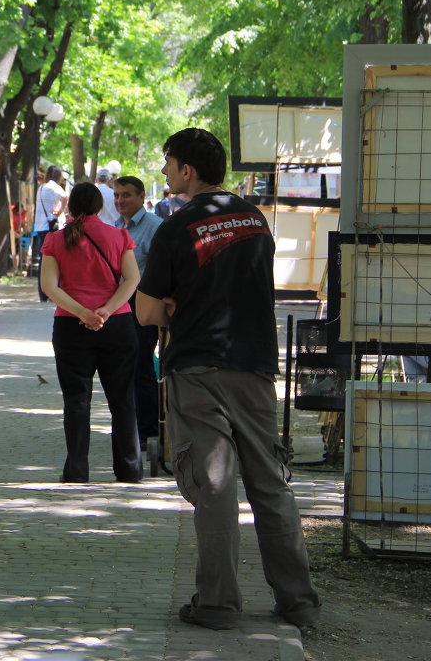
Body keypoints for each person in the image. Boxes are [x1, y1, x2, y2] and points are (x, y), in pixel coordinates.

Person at [135, 128, 320, 632]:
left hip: (197, 368)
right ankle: (298, 601)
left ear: (187, 171)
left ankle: (217, 604)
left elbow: (147, 309)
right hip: (256, 366)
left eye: (169, 163)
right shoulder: (255, 220)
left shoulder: (178, 227)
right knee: (270, 484)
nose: (167, 171)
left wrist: (174, 307)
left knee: (214, 486)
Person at [40, 182, 142, 484]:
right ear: (100, 205)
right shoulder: (119, 236)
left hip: (72, 327)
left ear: (71, 206)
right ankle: (129, 469)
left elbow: (49, 287)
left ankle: (76, 470)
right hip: (118, 325)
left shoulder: (56, 240)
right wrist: (107, 310)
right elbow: (132, 279)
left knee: (76, 401)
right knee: (122, 400)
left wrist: (82, 312)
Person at [113, 175, 164, 447]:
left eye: (127, 195)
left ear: (142, 197)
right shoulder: (115, 229)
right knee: (125, 366)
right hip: (119, 306)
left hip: (143, 303)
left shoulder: (156, 228)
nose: (121, 200)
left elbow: (162, 271)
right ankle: (134, 426)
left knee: (141, 364)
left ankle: (149, 429)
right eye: (117, 195)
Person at [33, 165, 68, 301]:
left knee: (43, 261)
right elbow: (65, 197)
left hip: (41, 227)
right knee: (56, 261)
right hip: (52, 228)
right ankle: (54, 293)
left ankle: (42, 294)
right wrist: (60, 211)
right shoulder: (55, 187)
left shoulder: (41, 187)